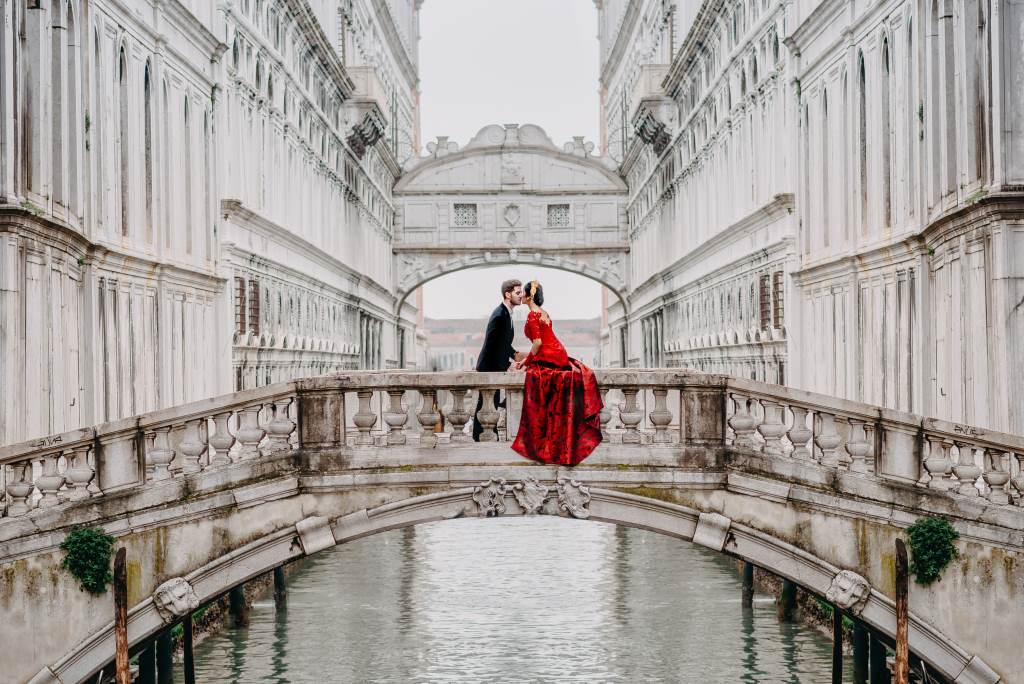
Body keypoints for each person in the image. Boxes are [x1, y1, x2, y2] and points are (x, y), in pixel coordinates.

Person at [511, 280, 603, 465]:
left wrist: (527, 362)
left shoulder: (532, 316)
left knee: (538, 378)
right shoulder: (544, 313)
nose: (521, 296)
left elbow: (537, 343)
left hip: (549, 356)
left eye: (523, 293)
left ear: (529, 296)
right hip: (559, 354)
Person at [472, 279, 526, 441]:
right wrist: (509, 364)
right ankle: (479, 436)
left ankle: (484, 435)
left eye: (521, 292)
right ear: (507, 294)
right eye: (518, 292)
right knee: (487, 404)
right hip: (489, 366)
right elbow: (492, 345)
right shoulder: (500, 315)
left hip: (493, 365)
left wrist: (515, 354)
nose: (521, 295)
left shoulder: (505, 313)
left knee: (491, 403)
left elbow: (503, 343)